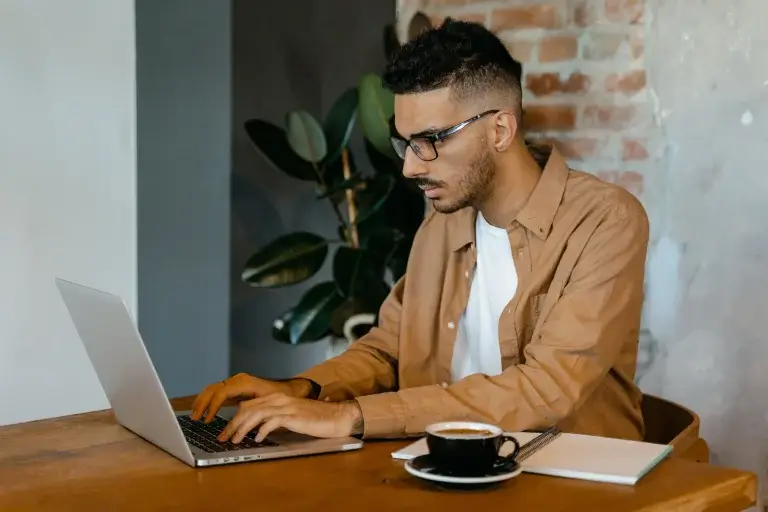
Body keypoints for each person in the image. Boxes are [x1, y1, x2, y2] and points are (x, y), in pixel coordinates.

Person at [191, 19, 650, 445]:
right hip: (443, 468)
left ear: (500, 129)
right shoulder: (445, 219)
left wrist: (349, 416)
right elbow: (391, 348)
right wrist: (300, 389)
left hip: (568, 480)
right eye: (406, 143)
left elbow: (545, 389)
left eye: (431, 140)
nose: (411, 166)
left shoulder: (606, 221)